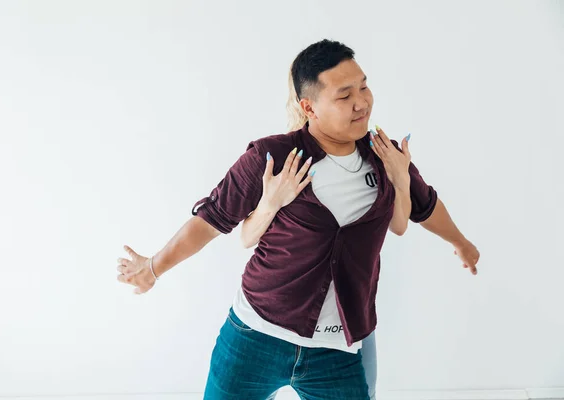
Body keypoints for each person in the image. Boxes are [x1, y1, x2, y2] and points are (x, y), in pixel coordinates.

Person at [117, 39, 480, 399]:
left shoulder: (384, 156)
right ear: (309, 107)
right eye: (344, 95)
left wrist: (460, 243)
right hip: (254, 338)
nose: (362, 102)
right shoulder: (272, 156)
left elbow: (425, 205)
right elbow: (212, 220)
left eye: (364, 86)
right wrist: (152, 268)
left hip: (339, 352)